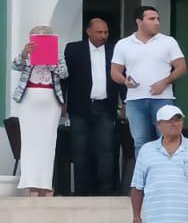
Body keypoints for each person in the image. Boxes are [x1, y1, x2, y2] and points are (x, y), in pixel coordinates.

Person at [111, 5, 186, 154]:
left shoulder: (168, 41)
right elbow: (114, 72)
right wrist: (125, 81)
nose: (157, 22)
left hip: (162, 98)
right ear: (139, 21)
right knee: (140, 142)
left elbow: (182, 68)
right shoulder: (123, 44)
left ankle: (168, 176)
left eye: (158, 19)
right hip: (135, 100)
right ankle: (144, 177)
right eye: (152, 19)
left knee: (167, 138)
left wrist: (164, 82)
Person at [63, 17, 123, 196]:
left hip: (105, 106)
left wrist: (125, 101)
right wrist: (62, 101)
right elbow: (65, 77)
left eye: (106, 32)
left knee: (105, 148)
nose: (103, 36)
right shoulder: (73, 49)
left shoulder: (115, 50)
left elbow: (121, 76)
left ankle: (106, 189)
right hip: (79, 107)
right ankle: (82, 190)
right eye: (99, 32)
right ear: (88, 32)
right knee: (80, 148)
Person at [11, 24, 68, 196]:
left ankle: (45, 184)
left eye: (45, 37)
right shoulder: (26, 53)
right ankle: (31, 183)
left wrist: (49, 60)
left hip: (50, 100)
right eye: (37, 36)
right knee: (29, 141)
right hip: (29, 99)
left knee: (48, 142)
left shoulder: (58, 55)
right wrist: (24, 54)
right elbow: (15, 65)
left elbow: (64, 73)